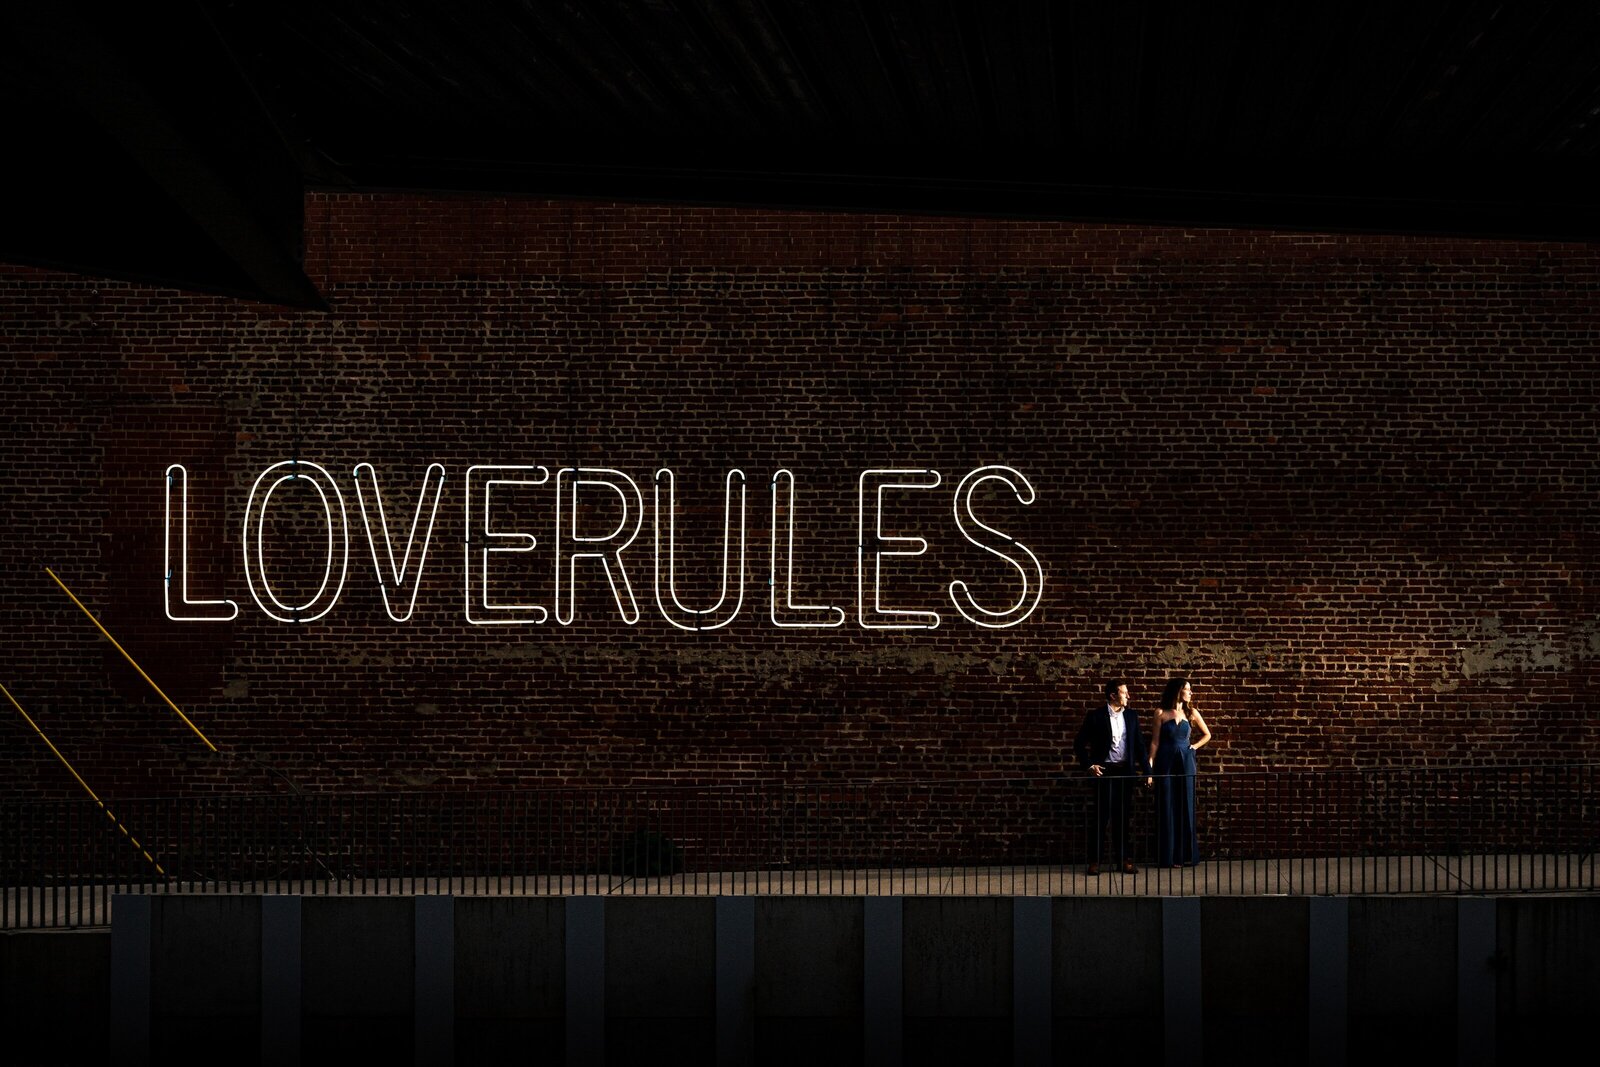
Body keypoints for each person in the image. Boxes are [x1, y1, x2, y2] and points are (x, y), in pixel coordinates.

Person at [1073, 680, 1152, 874]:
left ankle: (1124, 860)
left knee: (1123, 818)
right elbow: (1079, 744)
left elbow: (1140, 747)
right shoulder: (1096, 716)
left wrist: (1148, 773)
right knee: (1100, 818)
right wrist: (1089, 765)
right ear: (1113, 696)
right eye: (1124, 693)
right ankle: (1095, 861)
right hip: (1104, 772)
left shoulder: (1132, 716)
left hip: (1126, 773)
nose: (1128, 696)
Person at [1147, 677, 1212, 867]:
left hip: (1186, 762)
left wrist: (1193, 747)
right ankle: (1168, 856)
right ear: (1178, 691)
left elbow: (1207, 734)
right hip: (1165, 763)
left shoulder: (1191, 712)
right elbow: (1155, 742)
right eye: (1188, 689)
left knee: (1186, 805)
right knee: (1167, 806)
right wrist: (1149, 769)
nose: (1191, 693)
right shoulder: (1160, 712)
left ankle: (1185, 855)